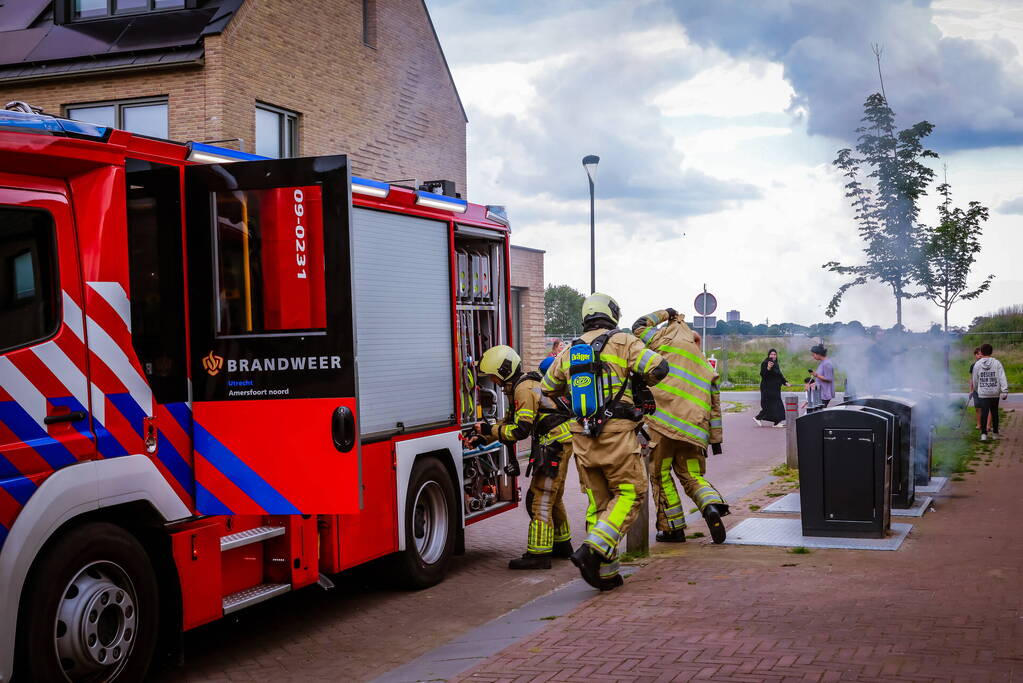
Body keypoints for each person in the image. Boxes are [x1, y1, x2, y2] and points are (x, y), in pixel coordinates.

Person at [541, 293, 668, 590]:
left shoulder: (572, 349)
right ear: (612, 314)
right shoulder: (623, 341)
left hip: (582, 437)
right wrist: (639, 381)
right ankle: (592, 549)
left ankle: (606, 574)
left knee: (601, 504)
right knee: (631, 492)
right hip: (617, 435)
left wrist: (575, 406)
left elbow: (547, 388)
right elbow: (659, 368)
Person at [632, 308, 730, 544]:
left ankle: (672, 529)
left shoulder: (662, 340)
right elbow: (714, 405)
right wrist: (715, 440)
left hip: (662, 426)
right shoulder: (705, 365)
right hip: (694, 431)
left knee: (661, 474)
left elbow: (638, 325)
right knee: (693, 475)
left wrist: (666, 313)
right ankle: (710, 506)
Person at [475, 346, 575, 569]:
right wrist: (484, 435)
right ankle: (562, 545)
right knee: (553, 496)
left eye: (494, 376)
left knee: (540, 497)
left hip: (554, 444)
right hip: (560, 441)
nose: (494, 381)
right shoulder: (523, 385)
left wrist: (490, 431)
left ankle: (538, 555)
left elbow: (520, 430)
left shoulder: (523, 389)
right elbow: (509, 421)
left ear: (504, 370)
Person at [972, 343, 1009, 442]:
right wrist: (1004, 390)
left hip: (983, 392)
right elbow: (1002, 377)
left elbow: (975, 379)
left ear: (982, 352)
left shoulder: (977, 364)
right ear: (991, 352)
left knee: (984, 413)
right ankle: (995, 433)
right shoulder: (997, 363)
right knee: (994, 412)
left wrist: (976, 389)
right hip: (995, 392)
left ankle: (983, 434)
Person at [755, 349, 788, 427]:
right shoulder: (765, 363)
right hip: (767, 388)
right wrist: (768, 368)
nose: (773, 356)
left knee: (776, 405)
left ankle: (776, 422)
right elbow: (763, 374)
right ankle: (759, 417)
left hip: (775, 388)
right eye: (771, 354)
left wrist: (785, 382)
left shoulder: (776, 364)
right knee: (771, 405)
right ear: (768, 355)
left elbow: (779, 374)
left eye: (774, 354)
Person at [968, 347, 989, 431]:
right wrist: (971, 390)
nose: (980, 356)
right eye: (978, 354)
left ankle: (987, 425)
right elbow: (971, 379)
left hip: (985, 388)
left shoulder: (987, 364)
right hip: (976, 390)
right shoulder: (973, 366)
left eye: (981, 354)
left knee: (987, 407)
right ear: (975, 355)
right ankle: (979, 424)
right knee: (977, 407)